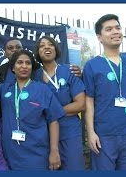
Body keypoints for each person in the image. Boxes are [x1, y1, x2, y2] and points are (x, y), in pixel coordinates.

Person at [82, 14, 126, 170]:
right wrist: (90, 132)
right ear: (99, 37)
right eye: (109, 29)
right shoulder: (92, 65)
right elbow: (89, 101)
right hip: (103, 135)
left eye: (118, 27)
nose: (115, 32)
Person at [0, 49, 64, 170]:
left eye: (28, 63)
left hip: (37, 155)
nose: (24, 66)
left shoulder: (42, 90)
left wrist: (54, 151)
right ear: (13, 68)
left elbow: (53, 120)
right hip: (10, 155)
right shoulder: (4, 89)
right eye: (20, 62)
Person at [34, 35, 86, 170]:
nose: (46, 47)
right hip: (42, 135)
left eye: (50, 44)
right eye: (42, 45)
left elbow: (81, 104)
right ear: (38, 52)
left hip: (69, 134)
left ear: (56, 49)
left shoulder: (69, 71)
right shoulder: (34, 76)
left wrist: (53, 114)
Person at [0, 38, 82, 84]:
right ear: (5, 53)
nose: (15, 50)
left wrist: (80, 74)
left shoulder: (35, 68)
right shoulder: (0, 71)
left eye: (18, 47)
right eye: (10, 48)